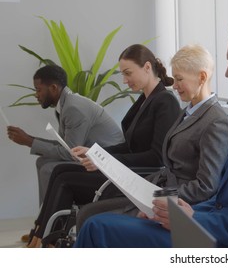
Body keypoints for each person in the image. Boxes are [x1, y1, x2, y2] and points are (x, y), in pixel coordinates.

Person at [74, 15, 228, 248]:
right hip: (209, 227)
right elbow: (223, 199)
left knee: (98, 228)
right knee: (99, 224)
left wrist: (195, 219)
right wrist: (178, 211)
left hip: (225, 244)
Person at [25, 44, 181, 248]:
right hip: (127, 171)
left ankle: (47, 242)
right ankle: (41, 235)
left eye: (128, 73)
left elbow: (156, 158)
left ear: (147, 67)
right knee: (61, 170)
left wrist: (105, 161)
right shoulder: (145, 99)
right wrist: (95, 153)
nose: (124, 80)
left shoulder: (165, 102)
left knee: (65, 178)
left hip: (139, 178)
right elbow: (129, 146)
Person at [75, 44, 228, 230]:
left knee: (91, 218)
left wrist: (157, 195)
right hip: (155, 188)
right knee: (88, 213)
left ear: (202, 77)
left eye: (180, 79)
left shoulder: (215, 121)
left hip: (171, 201)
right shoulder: (187, 112)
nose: (174, 85)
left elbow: (206, 186)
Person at [6, 65, 124, 205]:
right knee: (42, 162)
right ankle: (46, 217)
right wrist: (29, 139)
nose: (36, 95)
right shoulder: (65, 105)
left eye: (38, 90)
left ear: (54, 88)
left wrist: (29, 142)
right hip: (91, 158)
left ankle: (53, 221)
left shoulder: (73, 108)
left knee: (49, 169)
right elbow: (66, 147)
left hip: (107, 164)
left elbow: (70, 154)